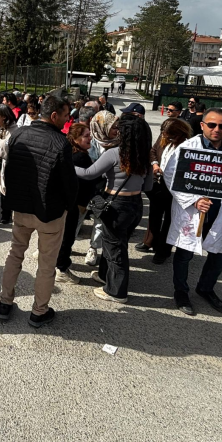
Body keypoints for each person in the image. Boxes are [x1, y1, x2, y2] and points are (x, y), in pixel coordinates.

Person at [0, 95, 77, 328]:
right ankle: (39, 311)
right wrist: (68, 208)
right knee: (46, 263)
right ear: (54, 116)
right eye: (64, 115)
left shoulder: (19, 134)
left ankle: (4, 302)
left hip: (22, 208)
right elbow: (70, 184)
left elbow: (9, 171)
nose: (66, 119)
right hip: (49, 213)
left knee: (15, 254)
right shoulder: (60, 143)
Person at [162, 108, 222, 316]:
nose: (217, 129)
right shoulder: (187, 149)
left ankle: (205, 288)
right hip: (193, 212)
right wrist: (194, 200)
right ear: (202, 125)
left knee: (220, 257)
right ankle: (181, 292)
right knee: (184, 255)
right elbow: (171, 177)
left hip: (220, 213)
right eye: (212, 125)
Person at [74, 117, 152, 303]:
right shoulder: (145, 155)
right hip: (135, 205)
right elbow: (147, 186)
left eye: (118, 128)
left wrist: (68, 165)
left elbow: (89, 173)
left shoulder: (115, 153)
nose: (116, 131)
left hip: (116, 205)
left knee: (115, 248)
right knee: (117, 243)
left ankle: (116, 292)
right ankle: (105, 276)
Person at [138, 118, 192, 264]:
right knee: (155, 217)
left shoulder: (189, 146)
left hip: (175, 190)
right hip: (158, 186)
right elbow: (153, 151)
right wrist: (155, 165)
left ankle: (164, 250)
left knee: (169, 221)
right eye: (165, 135)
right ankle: (153, 242)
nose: (167, 138)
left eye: (171, 136)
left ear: (181, 133)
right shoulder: (164, 138)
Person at [55, 122, 97, 284]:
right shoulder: (81, 157)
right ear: (75, 139)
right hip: (73, 203)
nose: (90, 138)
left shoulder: (68, 152)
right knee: (68, 237)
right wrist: (82, 204)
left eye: (89, 135)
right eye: (85, 136)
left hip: (65, 202)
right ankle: (61, 269)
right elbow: (83, 183)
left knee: (60, 235)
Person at [84, 111, 120, 267]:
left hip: (106, 187)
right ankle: (65, 246)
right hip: (87, 185)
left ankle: (93, 248)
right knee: (78, 217)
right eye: (113, 127)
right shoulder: (88, 141)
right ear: (102, 127)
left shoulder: (119, 143)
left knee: (100, 220)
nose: (116, 131)